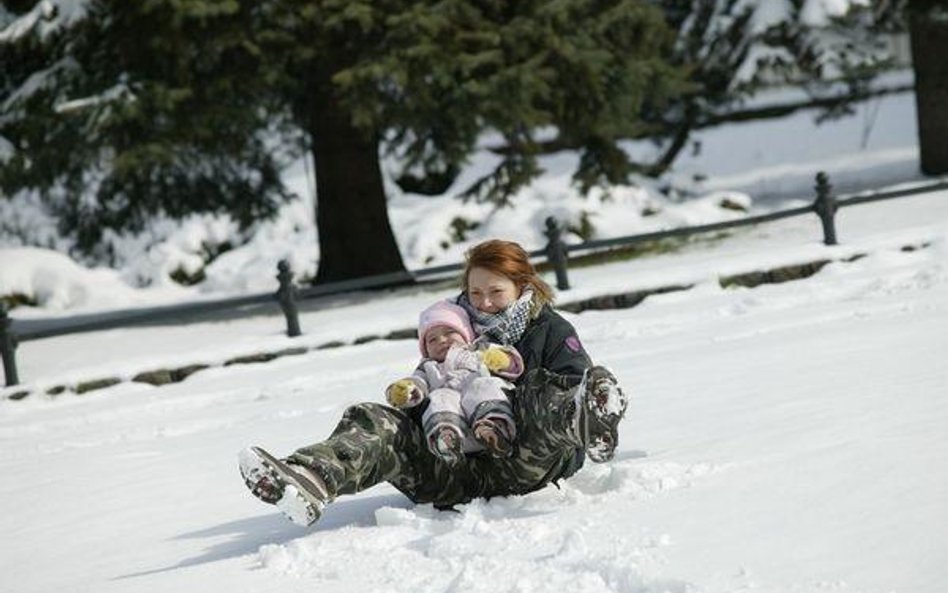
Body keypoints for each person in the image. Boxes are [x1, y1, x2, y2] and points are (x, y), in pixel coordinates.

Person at [239, 239, 628, 527]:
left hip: (523, 462)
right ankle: (312, 479)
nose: (484, 303)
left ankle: (585, 420)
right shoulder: (448, 326)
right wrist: (414, 400)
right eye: (476, 292)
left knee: (531, 393)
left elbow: (571, 382)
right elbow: (432, 384)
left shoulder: (551, 329)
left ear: (522, 285)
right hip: (452, 468)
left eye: (496, 292)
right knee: (378, 419)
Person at [386, 300, 525, 465]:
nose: (442, 340)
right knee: (439, 396)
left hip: (492, 422)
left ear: (466, 333)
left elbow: (514, 366)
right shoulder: (428, 366)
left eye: (450, 332)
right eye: (432, 340)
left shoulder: (480, 350)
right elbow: (417, 382)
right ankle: (446, 437)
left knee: (483, 385)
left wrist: (501, 360)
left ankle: (495, 426)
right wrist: (407, 390)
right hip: (463, 436)